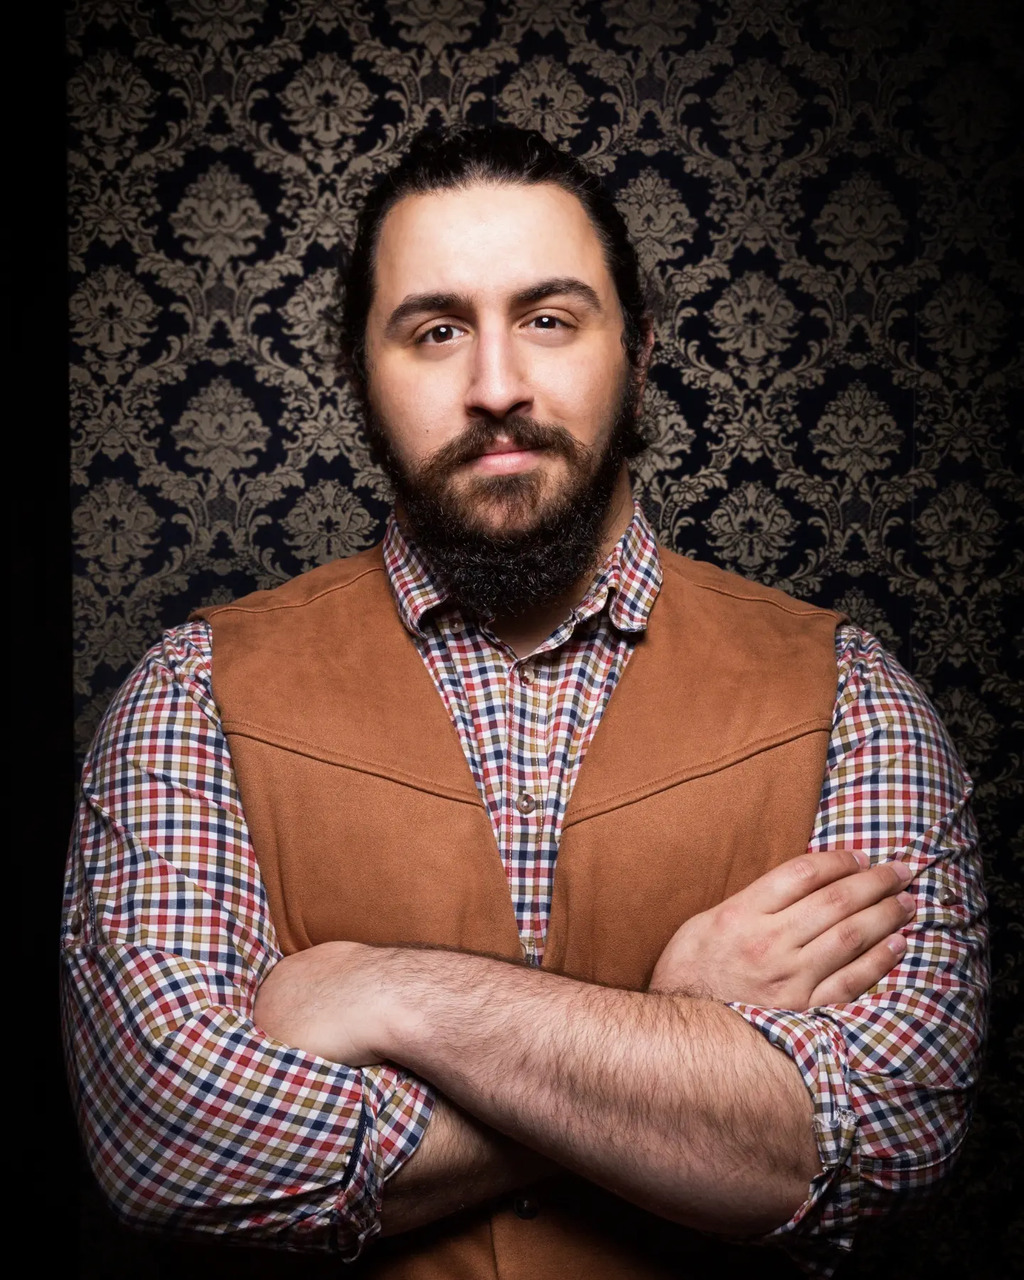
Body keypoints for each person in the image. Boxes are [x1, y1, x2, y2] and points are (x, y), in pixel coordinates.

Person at [62, 125, 987, 1278]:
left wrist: (383, 990)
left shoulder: (850, 696)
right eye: (436, 330)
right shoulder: (194, 690)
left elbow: (877, 1134)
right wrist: (673, 1037)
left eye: (548, 318)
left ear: (637, 351)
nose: (496, 385)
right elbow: (177, 1145)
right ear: (357, 371)